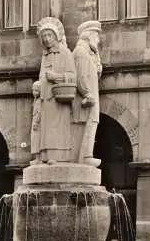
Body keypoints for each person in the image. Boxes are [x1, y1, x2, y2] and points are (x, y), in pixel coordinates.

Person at [35, 17, 77, 164]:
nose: (46, 39)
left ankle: (59, 156)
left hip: (59, 98)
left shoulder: (65, 53)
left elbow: (72, 76)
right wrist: (38, 85)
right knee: (46, 129)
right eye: (44, 36)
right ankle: (45, 156)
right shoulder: (44, 56)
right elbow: (41, 75)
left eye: (49, 36)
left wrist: (57, 77)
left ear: (55, 36)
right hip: (45, 98)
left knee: (57, 129)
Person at [72, 20, 103, 167]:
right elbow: (80, 76)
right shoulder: (80, 53)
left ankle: (87, 155)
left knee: (92, 125)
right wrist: (86, 93)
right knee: (86, 127)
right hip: (86, 99)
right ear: (89, 36)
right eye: (96, 35)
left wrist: (97, 60)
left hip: (91, 98)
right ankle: (84, 157)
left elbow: (94, 75)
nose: (98, 39)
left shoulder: (88, 54)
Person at [30, 81, 42, 165]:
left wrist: (36, 122)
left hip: (37, 123)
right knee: (34, 140)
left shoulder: (40, 101)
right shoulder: (36, 101)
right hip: (34, 121)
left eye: (36, 90)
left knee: (37, 140)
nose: (34, 92)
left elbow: (39, 112)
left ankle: (39, 158)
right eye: (33, 90)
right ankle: (37, 157)